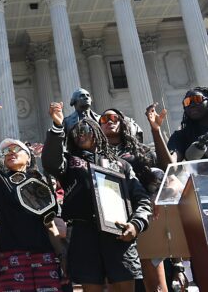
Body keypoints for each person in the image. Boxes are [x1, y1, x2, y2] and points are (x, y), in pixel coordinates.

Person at [44, 102, 152, 291]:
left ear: (97, 133)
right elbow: (50, 161)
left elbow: (142, 199)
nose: (81, 133)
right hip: (83, 234)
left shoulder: (121, 165)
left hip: (118, 234)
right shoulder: (69, 163)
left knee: (124, 287)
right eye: (76, 132)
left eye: (86, 128)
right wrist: (57, 127)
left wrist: (136, 225)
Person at [0, 94, 64, 292]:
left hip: (44, 255)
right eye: (6, 152)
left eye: (16, 149)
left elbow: (49, 224)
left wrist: (62, 255)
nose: (10, 153)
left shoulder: (40, 183)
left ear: (29, 157)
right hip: (11, 256)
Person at [100, 108, 169, 291]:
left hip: (143, 214)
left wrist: (156, 131)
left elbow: (165, 170)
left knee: (153, 281)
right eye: (104, 119)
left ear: (123, 122)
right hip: (114, 217)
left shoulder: (138, 150)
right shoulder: (95, 155)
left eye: (115, 117)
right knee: (119, 279)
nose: (109, 121)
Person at [168, 87, 208, 161]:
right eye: (187, 102)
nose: (191, 105)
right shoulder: (180, 136)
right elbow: (171, 161)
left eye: (197, 99)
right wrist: (156, 131)